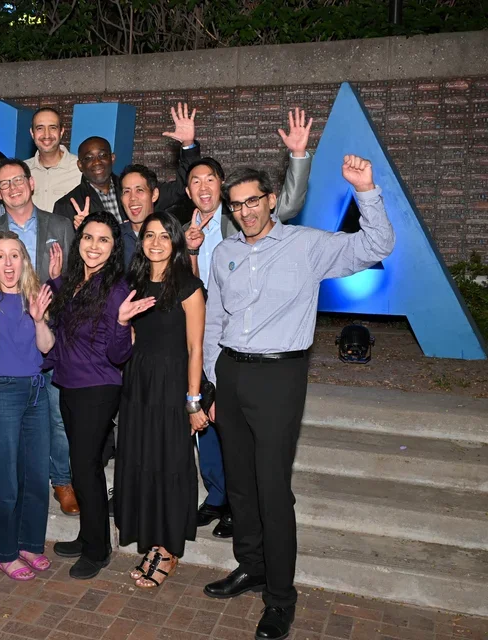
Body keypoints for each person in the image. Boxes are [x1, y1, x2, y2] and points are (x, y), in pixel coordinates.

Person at [201, 156, 394, 640]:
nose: (245, 211)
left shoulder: (307, 245)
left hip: (279, 375)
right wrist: (212, 379)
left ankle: (280, 598)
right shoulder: (224, 252)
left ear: (271, 200)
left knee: (271, 488)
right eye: (236, 205)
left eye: (253, 201)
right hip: (231, 372)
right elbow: (215, 320)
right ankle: (252, 566)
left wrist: (366, 191)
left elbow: (376, 245)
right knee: (240, 484)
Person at [183, 108, 314, 540]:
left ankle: (242, 509)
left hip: (251, 344)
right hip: (205, 333)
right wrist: (189, 251)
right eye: (195, 181)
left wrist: (297, 157)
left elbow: (289, 204)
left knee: (246, 442)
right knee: (210, 427)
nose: (203, 188)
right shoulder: (183, 229)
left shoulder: (239, 219)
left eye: (210, 181)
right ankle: (219, 496)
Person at [45, 210, 156, 580]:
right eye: (89, 238)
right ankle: (87, 536)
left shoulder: (116, 289)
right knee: (81, 467)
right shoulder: (77, 280)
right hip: (69, 383)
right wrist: (55, 280)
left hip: (97, 387)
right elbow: (67, 319)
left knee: (86, 468)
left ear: (114, 247)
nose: (94, 246)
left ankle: (98, 550)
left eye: (104, 239)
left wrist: (123, 322)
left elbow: (118, 354)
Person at [0, 158, 78, 515]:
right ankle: (19, 485)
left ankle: (61, 480)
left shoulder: (60, 225)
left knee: (57, 414)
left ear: (31, 183)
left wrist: (55, 284)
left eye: (18, 180)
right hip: (7, 341)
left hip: (50, 332)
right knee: (16, 425)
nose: (12, 187)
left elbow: (73, 282)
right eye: (4, 184)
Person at [115, 210, 208, 589]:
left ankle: (168, 550)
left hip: (173, 385)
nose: (155, 242)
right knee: (142, 463)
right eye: (149, 235)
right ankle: (152, 541)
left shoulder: (188, 286)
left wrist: (193, 401)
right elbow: (133, 336)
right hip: (139, 383)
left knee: (170, 464)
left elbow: (196, 348)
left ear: (175, 242)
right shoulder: (134, 282)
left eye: (164, 236)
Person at [0, 232, 56, 581]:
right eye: (0, 256)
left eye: (14, 255)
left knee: (36, 475)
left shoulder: (35, 296)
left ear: (24, 260)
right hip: (1, 392)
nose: (8, 263)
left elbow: (46, 347)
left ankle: (29, 543)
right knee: (5, 477)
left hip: (36, 391)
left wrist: (39, 318)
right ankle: (3, 551)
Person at [53, 103, 202, 226]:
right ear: (80, 165)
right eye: (88, 158)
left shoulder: (135, 191)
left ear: (112, 158)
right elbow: (63, 249)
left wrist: (188, 145)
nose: (97, 162)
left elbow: (182, 187)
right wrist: (81, 234)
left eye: (103, 155)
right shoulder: (67, 206)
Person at [24, 107, 81, 212]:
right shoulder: (22, 171)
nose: (47, 135)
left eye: (53, 128)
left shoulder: (80, 169)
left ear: (61, 132)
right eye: (40, 128)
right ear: (32, 133)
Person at [119, 164, 161, 269]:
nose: (132, 198)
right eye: (126, 191)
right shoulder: (114, 237)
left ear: (154, 194)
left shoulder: (170, 234)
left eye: (139, 190)